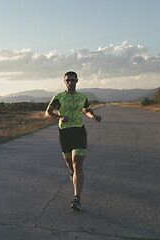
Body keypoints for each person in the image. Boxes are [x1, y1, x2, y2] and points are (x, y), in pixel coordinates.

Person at [45, 71, 102, 211]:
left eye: (72, 80)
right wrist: (59, 118)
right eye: (67, 80)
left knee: (78, 162)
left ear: (77, 81)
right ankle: (73, 173)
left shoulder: (82, 97)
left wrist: (93, 116)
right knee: (70, 163)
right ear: (64, 82)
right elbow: (48, 113)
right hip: (64, 132)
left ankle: (77, 198)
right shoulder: (59, 97)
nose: (70, 82)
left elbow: (87, 110)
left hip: (78, 131)